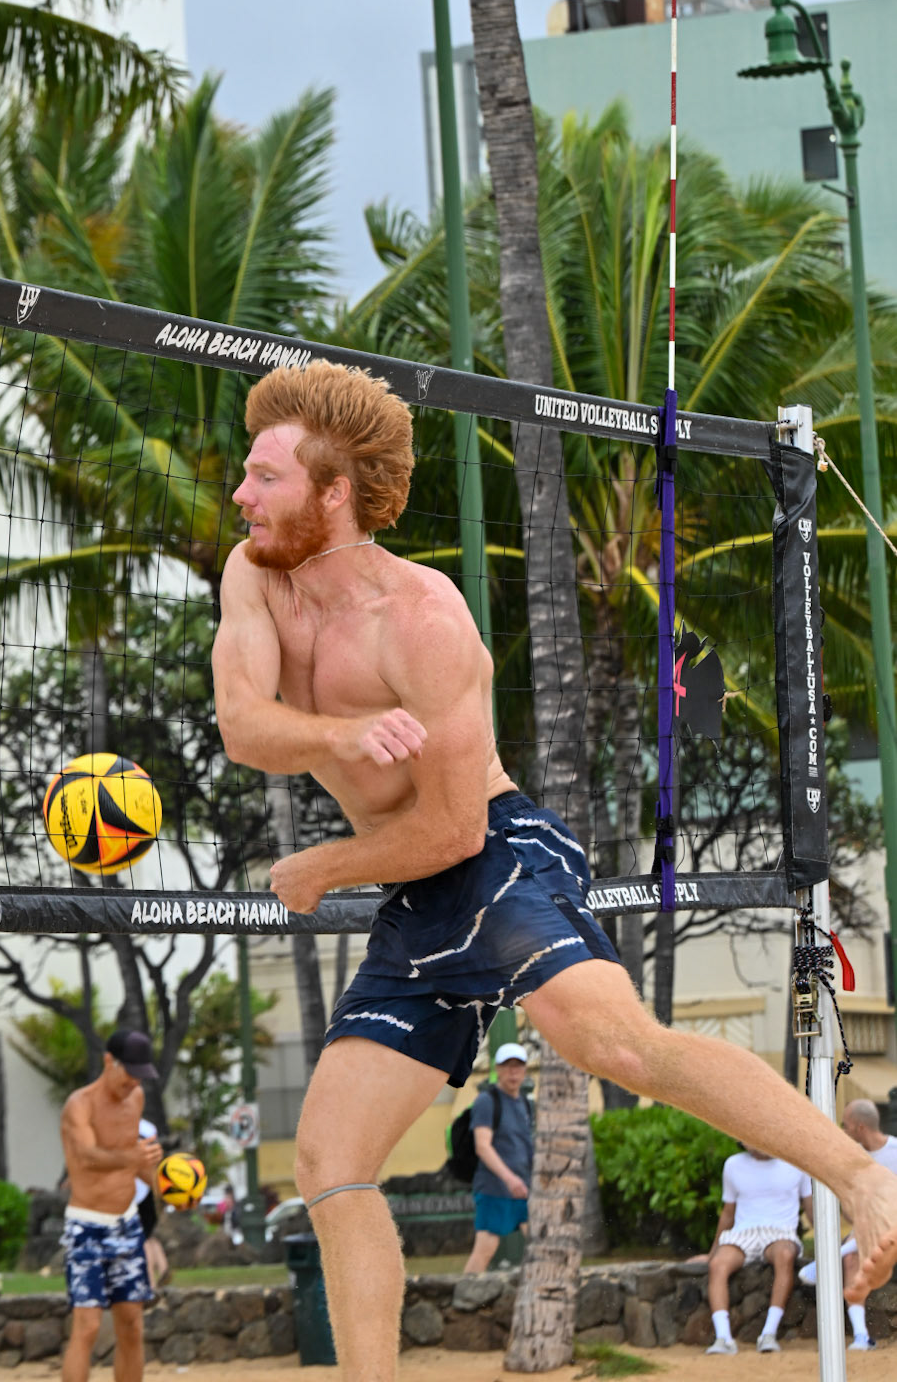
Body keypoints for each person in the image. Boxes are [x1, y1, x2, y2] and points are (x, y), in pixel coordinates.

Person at [212, 359, 897, 1382]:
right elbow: (245, 724)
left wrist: (330, 862)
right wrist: (348, 732)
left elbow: (447, 831)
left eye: (265, 476)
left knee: (612, 1038)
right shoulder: (254, 572)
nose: (242, 494)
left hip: (491, 843)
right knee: (331, 1163)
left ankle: (862, 1176)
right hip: (415, 892)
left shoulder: (424, 619)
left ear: (334, 491)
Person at [59, 1030, 162, 1382]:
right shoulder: (79, 1104)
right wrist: (133, 1157)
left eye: (140, 1073)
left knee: (132, 1324)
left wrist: (168, 1185)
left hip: (127, 1224)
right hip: (86, 1225)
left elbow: (138, 1164)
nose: (134, 1080)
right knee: (87, 1326)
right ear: (108, 1061)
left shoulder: (136, 1098)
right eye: (129, 1071)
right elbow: (87, 1157)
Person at [799, 1098, 897, 1350]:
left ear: (860, 1127)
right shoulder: (852, 1159)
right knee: (852, 1258)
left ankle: (831, 1257)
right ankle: (862, 1336)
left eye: (846, 1125)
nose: (843, 1130)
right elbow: (848, 1208)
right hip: (868, 1228)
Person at [704, 1147, 811, 1354]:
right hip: (743, 1233)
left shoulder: (797, 1162)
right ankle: (723, 1338)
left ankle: (768, 1334)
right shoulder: (733, 1164)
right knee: (717, 1264)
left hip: (781, 1232)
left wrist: (830, 1245)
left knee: (785, 1255)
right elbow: (728, 1213)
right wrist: (712, 1252)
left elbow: (811, 1208)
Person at [461, 1044, 533, 1274]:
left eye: (518, 1067)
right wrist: (510, 1179)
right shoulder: (487, 1100)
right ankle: (464, 1299)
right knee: (485, 1250)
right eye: (507, 1067)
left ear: (525, 1071)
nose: (513, 1073)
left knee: (540, 1246)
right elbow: (482, 1146)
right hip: (495, 1188)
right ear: (497, 1070)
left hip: (525, 1188)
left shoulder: (525, 1103)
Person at [133, 1120, 169, 1291]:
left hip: (138, 1193)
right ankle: (163, 1268)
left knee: (144, 1239)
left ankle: (150, 1282)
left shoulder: (138, 1127)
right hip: (146, 1192)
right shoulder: (149, 1127)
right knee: (149, 1236)